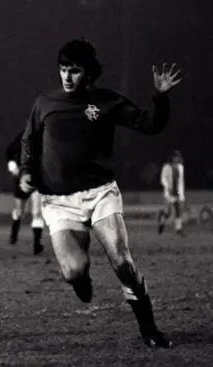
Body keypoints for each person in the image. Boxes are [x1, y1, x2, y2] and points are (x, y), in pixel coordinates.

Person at [19, 39, 181, 348]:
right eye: (63, 70)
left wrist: (161, 97)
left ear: (89, 73)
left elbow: (150, 124)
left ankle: (149, 331)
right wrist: (27, 172)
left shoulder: (106, 101)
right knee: (73, 271)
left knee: (123, 263)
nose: (67, 77)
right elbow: (29, 141)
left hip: (100, 193)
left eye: (75, 71)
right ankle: (81, 279)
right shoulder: (44, 104)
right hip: (59, 201)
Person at [5, 130, 44, 254]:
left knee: (37, 213)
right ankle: (14, 235)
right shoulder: (23, 135)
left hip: (37, 177)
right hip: (24, 176)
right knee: (20, 211)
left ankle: (36, 245)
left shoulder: (47, 136)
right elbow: (9, 151)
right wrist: (13, 167)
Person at [158, 150, 185, 236]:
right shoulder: (166, 167)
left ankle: (178, 229)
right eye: (175, 157)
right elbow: (163, 179)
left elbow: (181, 181)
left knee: (178, 210)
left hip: (178, 192)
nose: (177, 159)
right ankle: (162, 221)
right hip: (169, 192)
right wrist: (167, 187)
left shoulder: (181, 167)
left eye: (178, 157)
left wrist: (181, 193)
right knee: (168, 212)